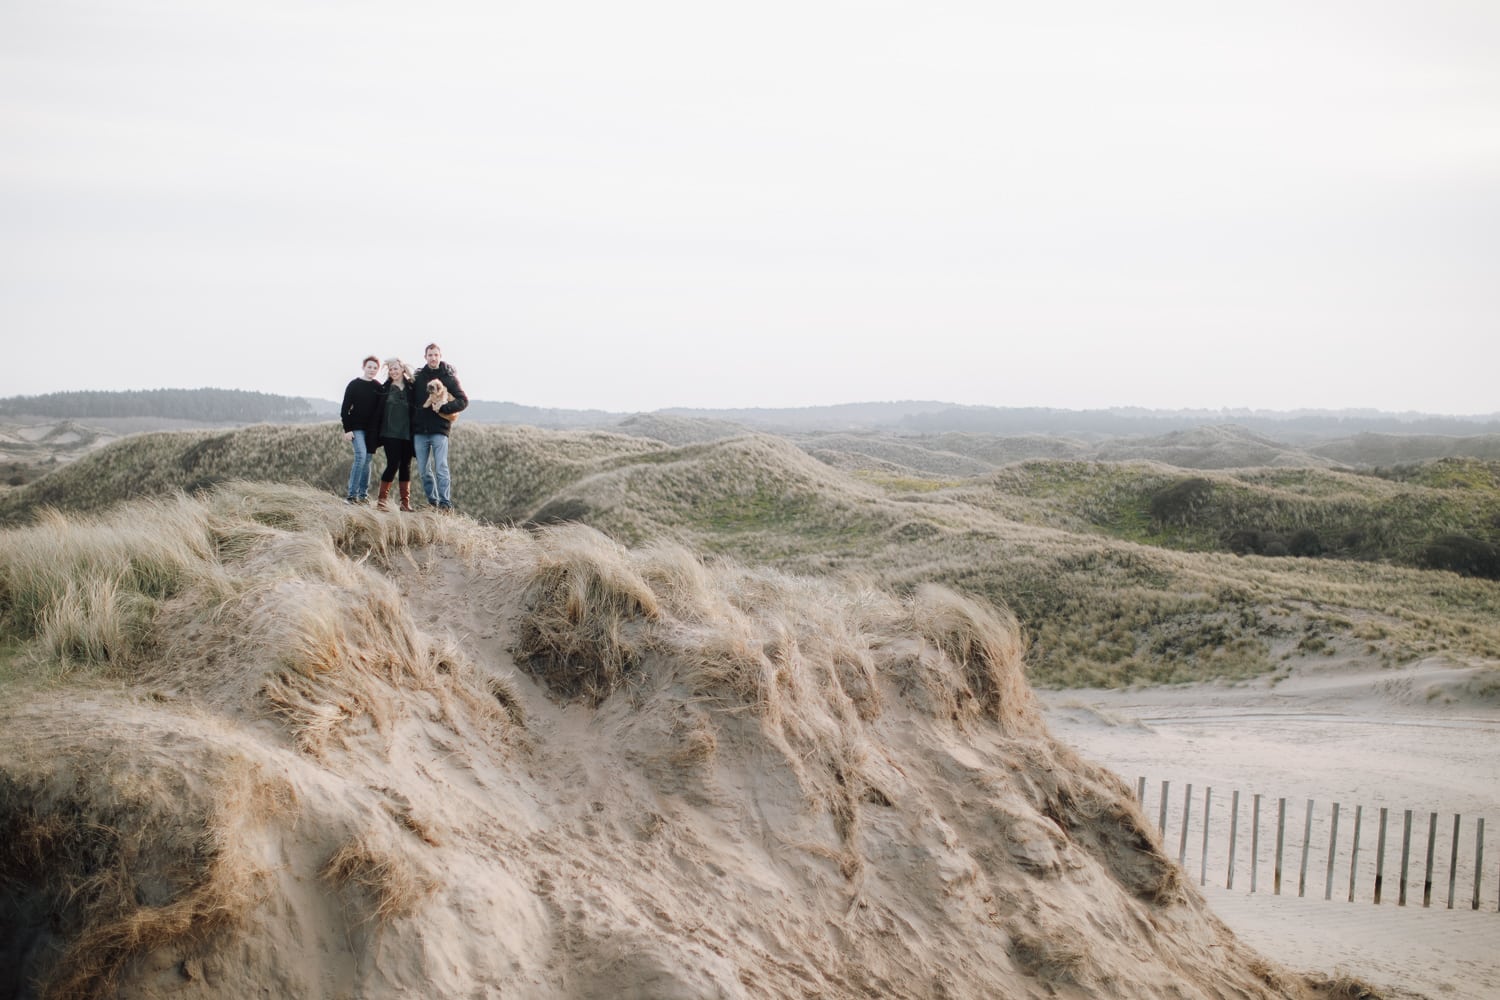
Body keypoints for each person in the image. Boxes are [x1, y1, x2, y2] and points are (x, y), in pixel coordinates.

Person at [410, 343, 468, 511]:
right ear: (425, 357)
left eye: (436, 355)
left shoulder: (448, 377)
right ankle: (433, 501)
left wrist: (444, 408)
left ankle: (445, 504)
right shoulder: (419, 377)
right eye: (430, 355)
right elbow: (411, 401)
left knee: (441, 467)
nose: (433, 358)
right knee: (423, 471)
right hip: (420, 431)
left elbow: (463, 401)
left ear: (440, 356)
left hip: (440, 430)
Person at [340, 355, 384, 503]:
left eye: (375, 368)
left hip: (372, 430)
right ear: (363, 367)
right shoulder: (354, 385)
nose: (372, 370)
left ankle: (363, 496)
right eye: (369, 367)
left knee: (367, 460)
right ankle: (351, 495)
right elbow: (345, 409)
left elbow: (382, 410)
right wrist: (348, 429)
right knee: (361, 456)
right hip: (356, 428)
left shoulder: (378, 387)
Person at [375, 358, 416, 512]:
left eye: (396, 368)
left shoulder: (411, 388)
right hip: (389, 432)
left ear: (402, 369)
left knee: (406, 465)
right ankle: (382, 502)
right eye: (391, 369)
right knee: (393, 464)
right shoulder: (384, 388)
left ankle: (405, 504)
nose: (393, 371)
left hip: (408, 433)